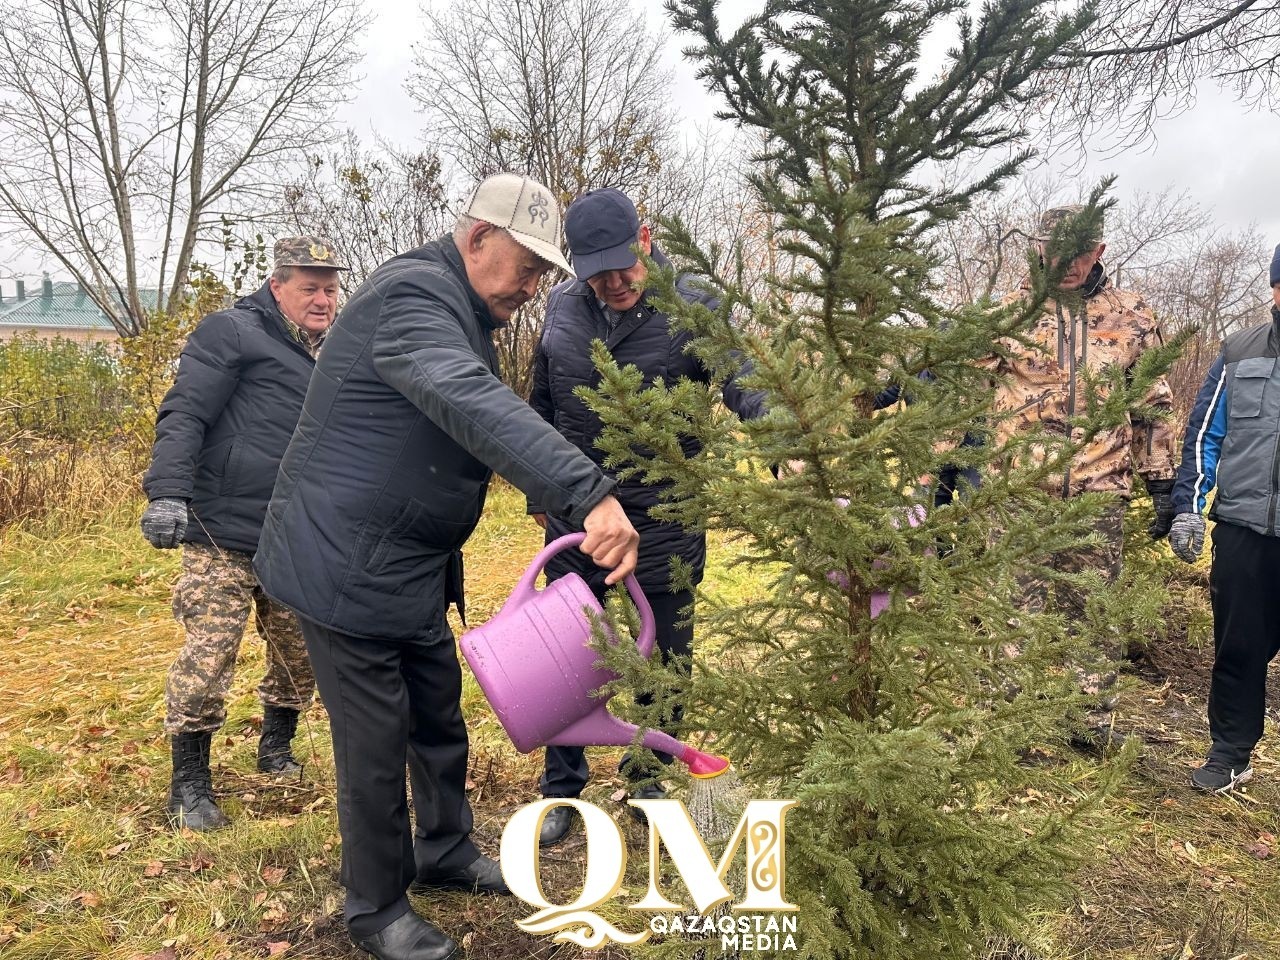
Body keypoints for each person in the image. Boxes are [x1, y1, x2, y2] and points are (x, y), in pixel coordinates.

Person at [253, 173, 640, 960]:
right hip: (340, 565)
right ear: (476, 238)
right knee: (373, 743)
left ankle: (445, 850)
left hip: (405, 564)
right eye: (525, 268)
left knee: (436, 715)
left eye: (542, 275)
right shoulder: (411, 299)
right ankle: (376, 909)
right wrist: (586, 492)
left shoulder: (462, 307)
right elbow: (465, 396)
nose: (532, 289)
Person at [526, 188, 767, 847]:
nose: (614, 282)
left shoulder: (695, 303)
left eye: (623, 265)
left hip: (665, 518)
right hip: (578, 521)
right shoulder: (561, 307)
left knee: (667, 655)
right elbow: (539, 404)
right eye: (596, 272)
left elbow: (747, 382)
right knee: (568, 656)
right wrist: (538, 491)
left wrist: (789, 448)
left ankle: (650, 777)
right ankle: (561, 792)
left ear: (647, 238)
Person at [141, 237, 346, 831]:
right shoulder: (231, 333)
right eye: (310, 288)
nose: (323, 300)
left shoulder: (336, 352)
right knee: (211, 653)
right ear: (277, 286)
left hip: (291, 535)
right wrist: (168, 492)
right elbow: (185, 413)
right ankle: (190, 783)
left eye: (330, 289)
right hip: (220, 531)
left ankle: (275, 747)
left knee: (300, 652)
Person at [988, 205, 1179, 748]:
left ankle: (1089, 724)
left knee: (1094, 613)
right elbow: (959, 390)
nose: (1068, 263)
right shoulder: (1010, 313)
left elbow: (1152, 401)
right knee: (1012, 613)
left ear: (1099, 250)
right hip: (1018, 491)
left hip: (1099, 490)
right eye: (1056, 249)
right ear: (1039, 249)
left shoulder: (1132, 315)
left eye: (1080, 250)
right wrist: (931, 474)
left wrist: (1162, 478)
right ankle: (1012, 729)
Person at [1166, 244, 1280, 793]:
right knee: (1239, 644)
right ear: (1275, 289)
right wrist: (1189, 507)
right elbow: (1203, 435)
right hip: (1244, 527)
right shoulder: (1239, 353)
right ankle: (1231, 751)